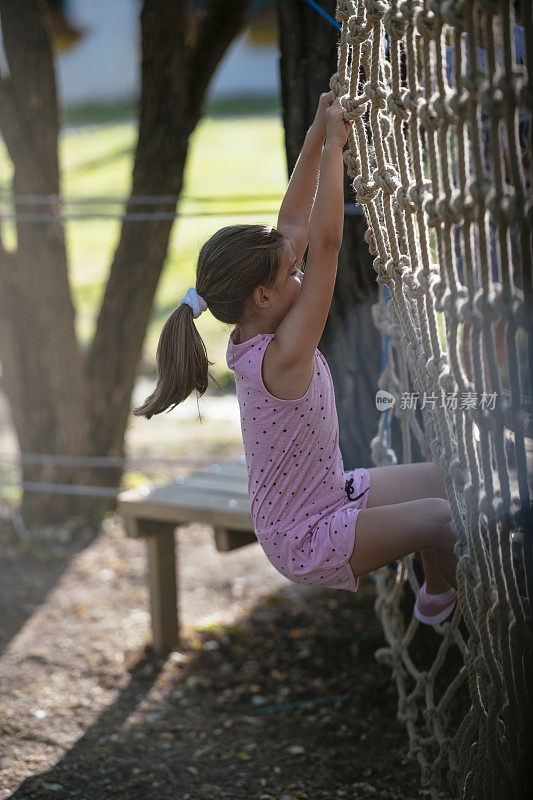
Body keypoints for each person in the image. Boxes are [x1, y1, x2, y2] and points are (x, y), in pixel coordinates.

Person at [133, 91, 459, 626]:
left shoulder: (255, 325)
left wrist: (314, 134)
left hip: (328, 495)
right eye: (291, 274)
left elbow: (297, 232)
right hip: (307, 537)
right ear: (263, 297)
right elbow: (326, 245)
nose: (300, 272)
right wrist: (335, 148)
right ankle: (440, 601)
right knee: (444, 519)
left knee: (448, 480)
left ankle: (438, 590)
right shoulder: (284, 356)